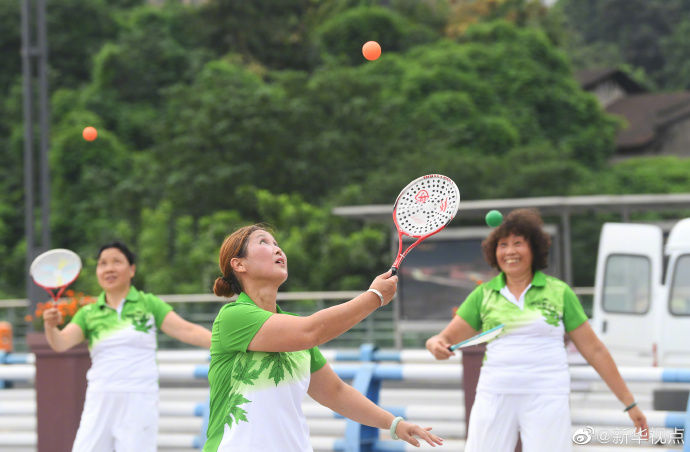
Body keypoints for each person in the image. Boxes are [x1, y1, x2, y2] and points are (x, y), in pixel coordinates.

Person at [203, 224, 444, 451]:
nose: (278, 248)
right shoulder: (233, 317)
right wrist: (374, 297)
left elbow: (335, 392)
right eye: (263, 242)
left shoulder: (292, 332)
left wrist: (395, 424)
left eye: (277, 243)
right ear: (239, 264)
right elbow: (310, 331)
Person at [425, 209, 648, 452]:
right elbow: (444, 338)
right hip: (495, 393)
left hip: (547, 395)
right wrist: (435, 345)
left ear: (534, 249)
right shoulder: (484, 294)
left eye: (518, 243)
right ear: (494, 251)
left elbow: (595, 351)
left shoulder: (559, 292)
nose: (510, 251)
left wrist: (629, 404)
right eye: (503, 245)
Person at [42, 241, 212, 452]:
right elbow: (60, 343)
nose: (109, 268)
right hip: (100, 396)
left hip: (139, 397)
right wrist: (50, 326)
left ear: (131, 270)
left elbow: (187, 331)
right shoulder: (88, 313)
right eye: (103, 263)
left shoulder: (148, 304)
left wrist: (228, 344)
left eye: (117, 262)